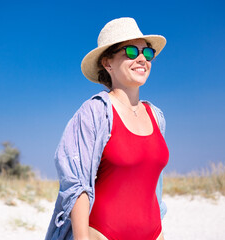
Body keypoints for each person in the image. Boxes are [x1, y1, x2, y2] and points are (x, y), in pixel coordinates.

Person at [45, 17, 169, 240]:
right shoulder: (94, 113)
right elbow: (77, 186)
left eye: (147, 53)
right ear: (107, 63)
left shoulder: (157, 116)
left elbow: (151, 190)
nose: (142, 59)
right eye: (131, 51)